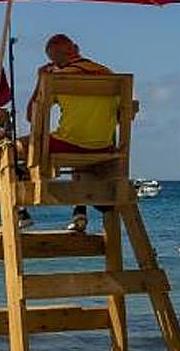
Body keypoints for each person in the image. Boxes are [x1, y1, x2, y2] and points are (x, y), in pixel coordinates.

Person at [14, 34, 116, 233]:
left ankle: (21, 214)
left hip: (70, 144)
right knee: (80, 158)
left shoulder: (57, 77)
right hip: (104, 147)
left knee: (8, 150)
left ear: (53, 60)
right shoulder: (108, 74)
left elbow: (32, 117)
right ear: (76, 48)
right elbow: (125, 115)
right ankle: (79, 213)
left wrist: (40, 80)